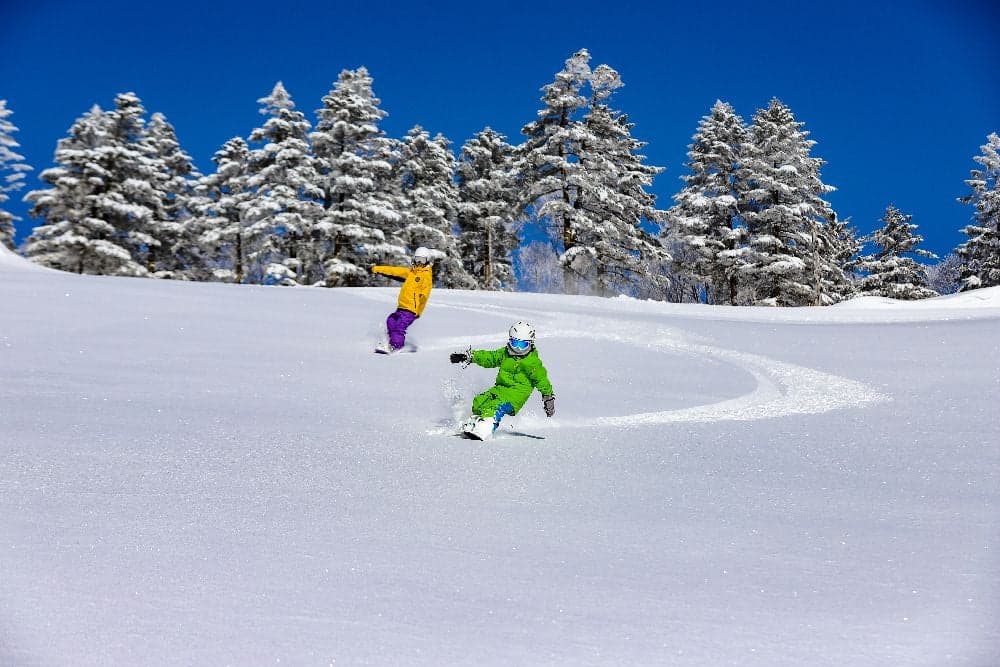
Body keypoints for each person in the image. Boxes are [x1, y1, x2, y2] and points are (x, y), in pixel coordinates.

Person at [450, 321, 555, 435]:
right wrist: (470, 357)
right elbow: (490, 357)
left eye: (522, 345)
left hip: (515, 395)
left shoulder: (532, 362)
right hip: (500, 389)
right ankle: (473, 422)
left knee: (495, 406)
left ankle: (486, 427)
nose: (517, 349)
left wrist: (548, 398)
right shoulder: (506, 353)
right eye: (515, 343)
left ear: (530, 343)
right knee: (479, 402)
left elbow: (541, 380)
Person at [371, 247, 433, 352]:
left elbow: (424, 296)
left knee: (399, 326)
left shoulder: (426, 276)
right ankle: (391, 342)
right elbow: (393, 271)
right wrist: (376, 269)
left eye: (422, 260)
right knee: (391, 321)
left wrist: (419, 312)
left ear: (427, 261)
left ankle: (396, 346)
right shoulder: (411, 272)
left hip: (411, 309)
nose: (419, 263)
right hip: (402, 307)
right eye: (417, 259)